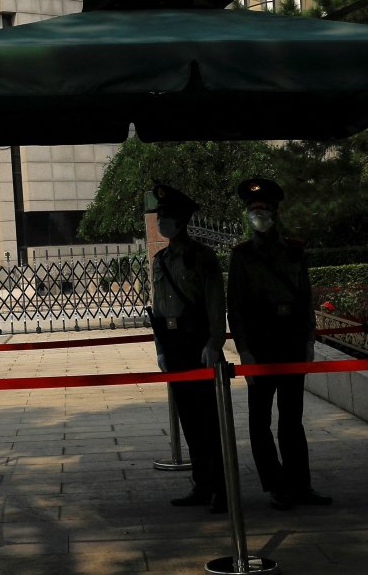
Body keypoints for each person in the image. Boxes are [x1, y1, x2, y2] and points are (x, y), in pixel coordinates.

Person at [227, 176, 333, 510]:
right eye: (253, 209)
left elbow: (305, 297)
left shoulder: (296, 249)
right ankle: (275, 485)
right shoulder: (241, 255)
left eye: (264, 209)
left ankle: (300, 484)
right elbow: (236, 306)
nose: (258, 214)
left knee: (292, 418)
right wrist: (243, 349)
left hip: (289, 340)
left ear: (275, 212)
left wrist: (308, 337)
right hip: (259, 345)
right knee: (259, 421)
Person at [148, 182, 228, 513]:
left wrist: (214, 342)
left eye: (167, 216)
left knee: (210, 419)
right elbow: (158, 305)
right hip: (174, 342)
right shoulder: (160, 259)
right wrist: (161, 348)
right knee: (189, 419)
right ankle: (201, 483)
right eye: (160, 216)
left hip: (198, 343)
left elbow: (214, 302)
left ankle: (222, 488)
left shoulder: (200, 257)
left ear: (182, 220)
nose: (161, 222)